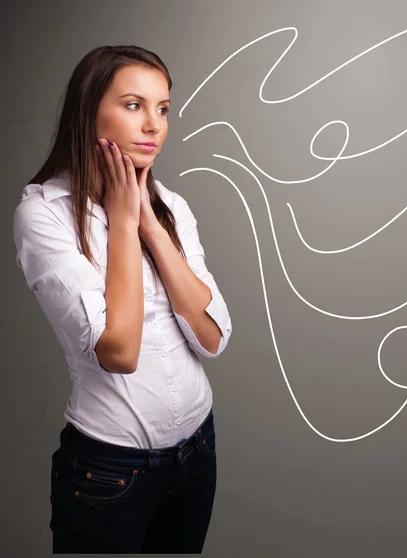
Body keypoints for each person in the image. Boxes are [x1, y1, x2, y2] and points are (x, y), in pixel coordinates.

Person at [12, 45, 232, 554]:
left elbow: (214, 338)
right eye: (134, 105)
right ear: (90, 112)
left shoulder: (171, 206)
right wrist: (124, 224)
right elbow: (121, 351)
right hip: (110, 472)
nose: (153, 124)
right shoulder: (44, 214)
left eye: (163, 108)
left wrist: (151, 224)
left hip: (198, 450)